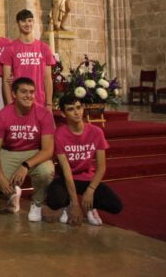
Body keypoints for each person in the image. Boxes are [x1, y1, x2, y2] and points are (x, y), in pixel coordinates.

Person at [46, 94, 122, 226]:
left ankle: (90, 207)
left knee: (115, 206)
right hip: (65, 179)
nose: (76, 112)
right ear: (63, 114)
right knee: (54, 200)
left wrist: (90, 190)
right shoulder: (59, 135)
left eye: (78, 107)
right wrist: (75, 204)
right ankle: (68, 204)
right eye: (71, 109)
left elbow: (102, 167)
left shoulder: (96, 132)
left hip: (87, 178)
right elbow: (66, 172)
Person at [0, 78, 55, 221]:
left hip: (34, 152)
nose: (28, 96)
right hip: (10, 151)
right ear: (14, 94)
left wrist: (25, 165)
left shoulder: (43, 114)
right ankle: (12, 195)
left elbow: (48, 150)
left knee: (46, 171)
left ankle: (37, 203)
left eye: (31, 92)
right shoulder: (3, 115)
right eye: (24, 92)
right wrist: (1, 178)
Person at [0, 9, 56, 110]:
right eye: (23, 21)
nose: (27, 24)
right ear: (17, 23)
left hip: (40, 101)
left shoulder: (44, 48)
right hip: (18, 102)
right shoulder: (10, 48)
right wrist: (9, 104)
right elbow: (6, 80)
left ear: (33, 22)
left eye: (30, 20)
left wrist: (49, 104)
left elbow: (47, 78)